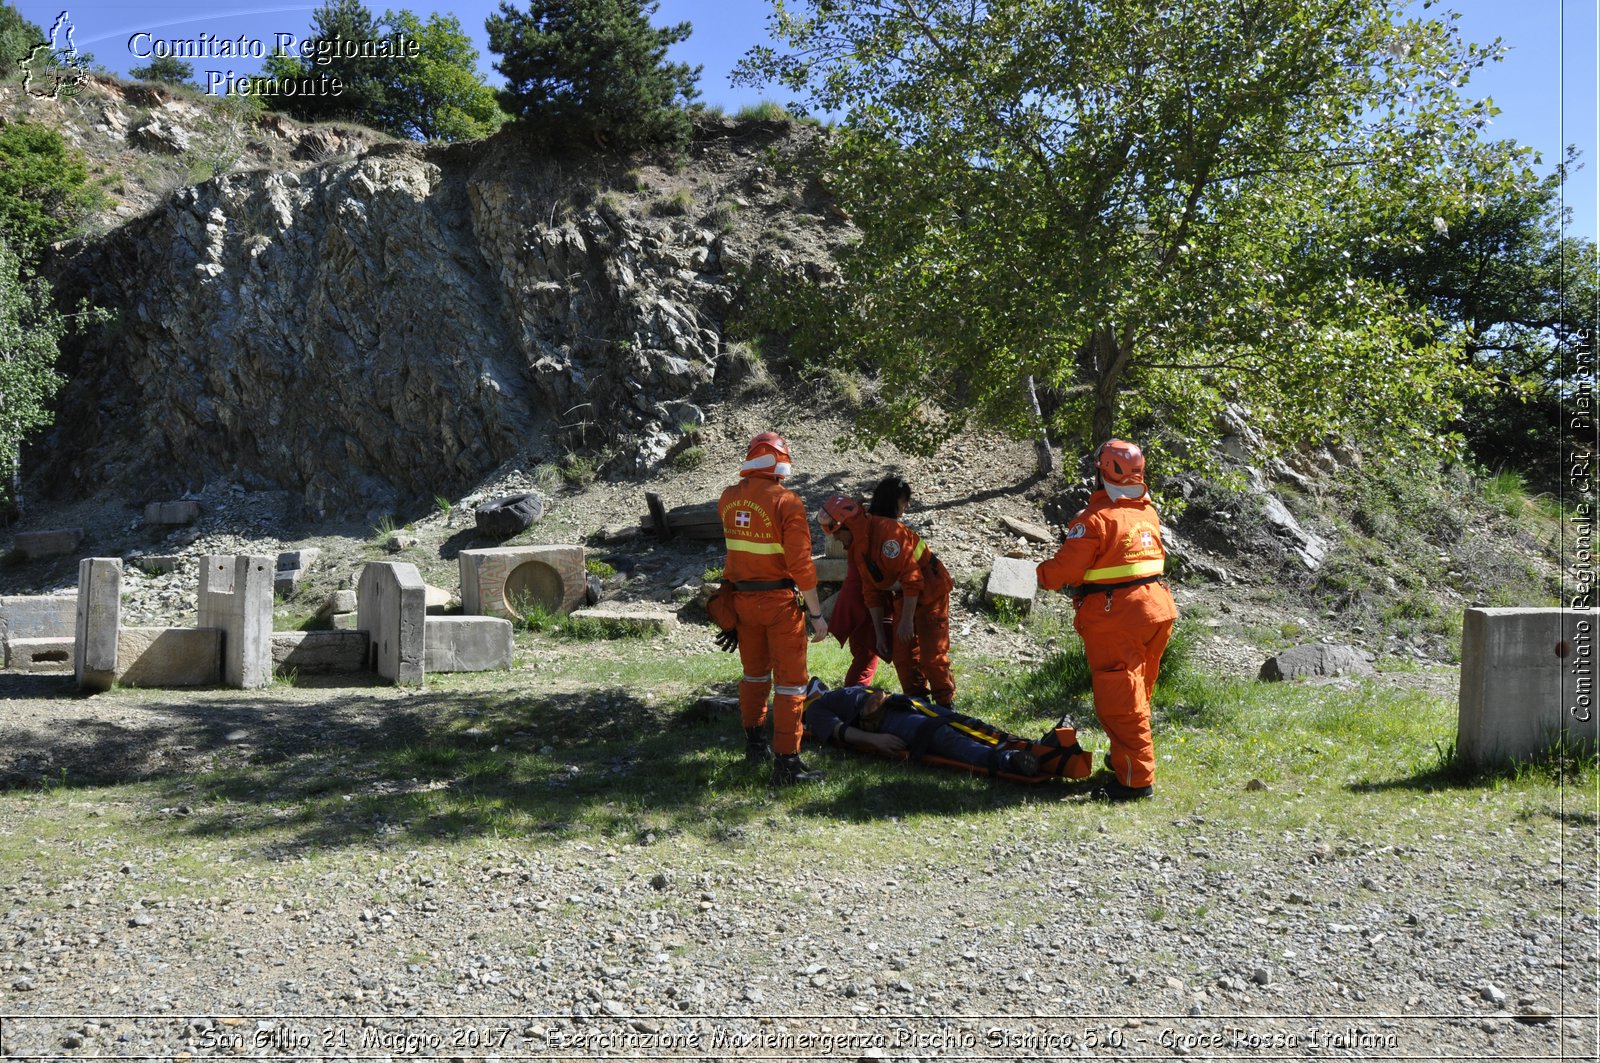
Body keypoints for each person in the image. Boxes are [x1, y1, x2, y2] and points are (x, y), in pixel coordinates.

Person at [1035, 439, 1177, 801]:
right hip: (1157, 611)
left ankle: (1135, 782)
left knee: (1121, 701)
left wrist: (1041, 574)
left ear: (1100, 472)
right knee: (1137, 692)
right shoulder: (1147, 513)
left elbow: (1064, 571)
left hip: (1119, 619)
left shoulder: (1094, 521)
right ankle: (1122, 761)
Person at [718, 431, 830, 786]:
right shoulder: (788, 502)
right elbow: (801, 566)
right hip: (779, 604)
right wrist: (816, 615)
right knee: (791, 685)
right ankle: (787, 763)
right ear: (780, 464)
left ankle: (755, 746)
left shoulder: (728, 499)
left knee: (754, 676)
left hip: (742, 603)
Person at [817, 492, 956, 708]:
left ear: (849, 527)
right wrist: (880, 636)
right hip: (905, 595)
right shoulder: (858, 546)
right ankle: (919, 703)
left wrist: (907, 621)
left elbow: (913, 580)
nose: (835, 539)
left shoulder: (889, 535)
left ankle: (945, 705)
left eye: (837, 533)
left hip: (931, 592)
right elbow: (871, 591)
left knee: (932, 656)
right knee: (903, 657)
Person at [801, 680, 1044, 778]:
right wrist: (876, 741)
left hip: (903, 705)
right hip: (887, 723)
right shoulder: (814, 710)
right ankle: (1009, 760)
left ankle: (1024, 745)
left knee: (965, 723)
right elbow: (840, 732)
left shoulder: (833, 695)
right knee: (943, 736)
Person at [827, 475, 916, 689]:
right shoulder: (877, 532)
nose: (906, 507)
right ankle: (853, 701)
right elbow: (878, 580)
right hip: (864, 603)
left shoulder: (866, 528)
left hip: (860, 599)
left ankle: (853, 698)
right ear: (895, 502)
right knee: (866, 657)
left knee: (864, 654)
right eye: (904, 502)